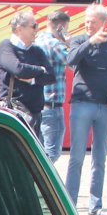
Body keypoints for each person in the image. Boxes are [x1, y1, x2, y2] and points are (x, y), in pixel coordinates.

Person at [65, 3, 107, 215]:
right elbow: (70, 59)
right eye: (86, 21)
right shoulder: (78, 40)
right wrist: (89, 42)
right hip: (82, 103)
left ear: (104, 23)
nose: (88, 25)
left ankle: (95, 206)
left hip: (106, 107)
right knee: (76, 157)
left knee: (100, 158)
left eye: (92, 21)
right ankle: (70, 206)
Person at [0, 10, 52, 140]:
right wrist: (40, 69)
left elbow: (51, 76)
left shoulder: (37, 50)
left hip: (35, 114)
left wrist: (32, 80)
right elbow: (18, 69)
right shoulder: (6, 47)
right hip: (14, 114)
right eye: (33, 26)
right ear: (20, 29)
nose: (36, 29)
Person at [34, 12, 71, 161]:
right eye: (66, 28)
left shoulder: (38, 39)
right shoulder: (55, 44)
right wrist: (69, 43)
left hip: (39, 102)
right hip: (53, 104)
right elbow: (72, 61)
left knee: (40, 151)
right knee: (51, 153)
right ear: (61, 27)